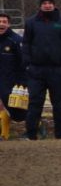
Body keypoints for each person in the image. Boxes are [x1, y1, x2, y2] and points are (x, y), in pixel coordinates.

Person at [22, 0, 61, 140]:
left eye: (50, 2)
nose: (47, 5)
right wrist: (28, 63)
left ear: (54, 4)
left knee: (59, 103)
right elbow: (26, 43)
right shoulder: (31, 22)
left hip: (56, 69)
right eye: (44, 3)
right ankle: (30, 134)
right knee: (35, 103)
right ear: (40, 5)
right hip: (36, 70)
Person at [0, 12, 27, 140]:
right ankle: (3, 135)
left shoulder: (15, 40)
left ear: (9, 24)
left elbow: (23, 63)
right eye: (0, 21)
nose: (1, 24)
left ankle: (36, 125)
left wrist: (21, 81)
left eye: (4, 22)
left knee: (16, 112)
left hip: (11, 82)